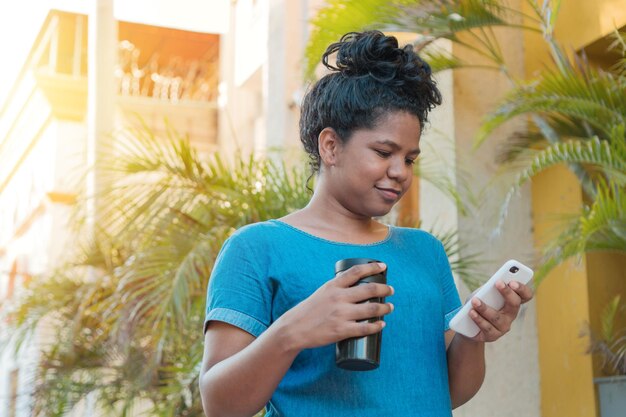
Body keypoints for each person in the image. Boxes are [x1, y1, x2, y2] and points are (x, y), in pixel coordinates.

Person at [199, 30, 533, 417]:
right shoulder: (256, 249)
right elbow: (220, 406)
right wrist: (293, 331)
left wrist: (475, 331)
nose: (400, 172)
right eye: (383, 152)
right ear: (330, 146)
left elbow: (450, 391)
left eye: (409, 159)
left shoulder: (425, 251)